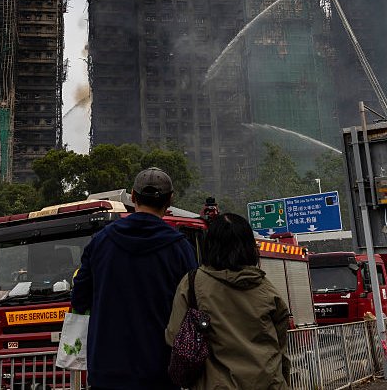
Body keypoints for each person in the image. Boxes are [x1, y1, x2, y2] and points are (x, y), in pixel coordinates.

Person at [71, 167, 196, 390]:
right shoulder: (180, 248)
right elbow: (193, 306)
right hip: (160, 373)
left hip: (106, 371)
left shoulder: (100, 241)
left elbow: (79, 298)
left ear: (133, 197)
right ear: (170, 200)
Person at [165, 212, 290, 389]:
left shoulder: (192, 283)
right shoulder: (266, 288)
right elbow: (281, 345)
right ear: (249, 246)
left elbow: (174, 336)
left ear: (210, 244)